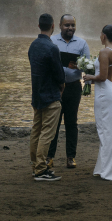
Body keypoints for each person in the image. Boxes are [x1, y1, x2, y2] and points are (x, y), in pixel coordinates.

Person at [81, 24, 112, 180]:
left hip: (104, 95)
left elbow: (102, 77)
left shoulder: (103, 52)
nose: (99, 36)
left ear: (104, 36)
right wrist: (95, 79)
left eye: (100, 33)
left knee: (105, 131)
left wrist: (89, 77)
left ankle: (109, 169)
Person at [47, 13, 90, 170]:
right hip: (55, 88)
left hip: (73, 87)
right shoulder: (51, 41)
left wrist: (80, 67)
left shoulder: (82, 43)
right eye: (67, 25)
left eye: (72, 25)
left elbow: (89, 67)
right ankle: (49, 157)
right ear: (59, 26)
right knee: (53, 123)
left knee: (72, 123)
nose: (70, 27)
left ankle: (70, 157)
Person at [27, 13, 65, 181]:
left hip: (37, 96)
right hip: (50, 96)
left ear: (38, 26)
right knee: (47, 134)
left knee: (36, 131)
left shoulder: (33, 46)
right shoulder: (52, 48)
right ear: (53, 26)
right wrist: (61, 89)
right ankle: (41, 170)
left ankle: (35, 165)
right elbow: (60, 76)